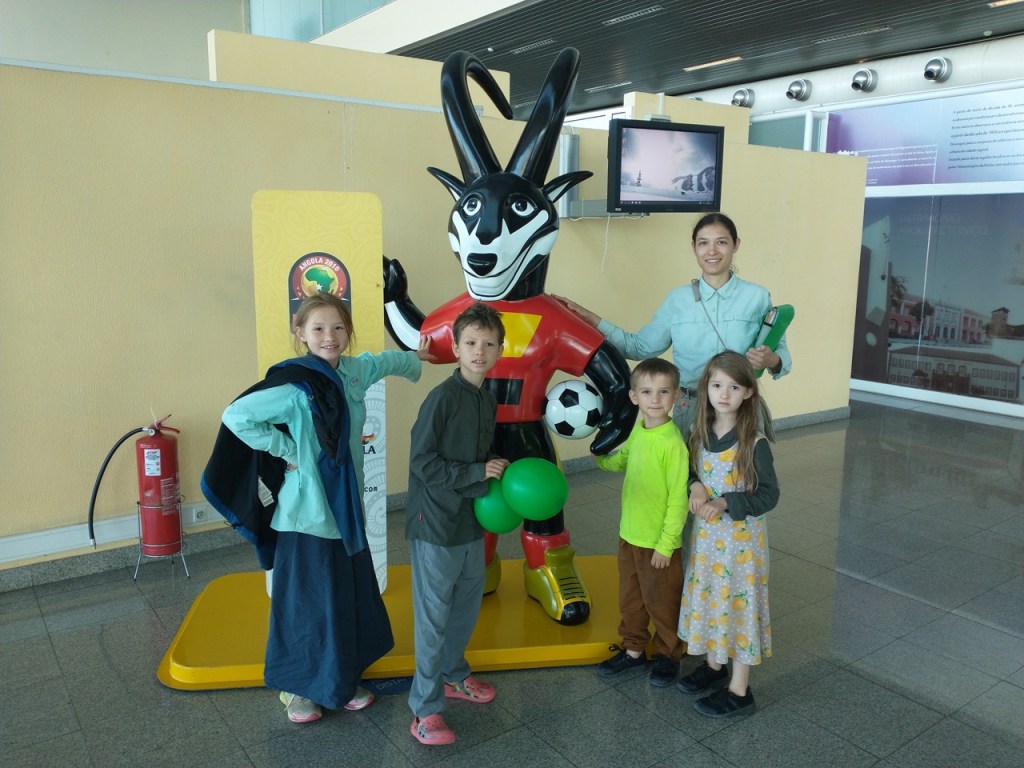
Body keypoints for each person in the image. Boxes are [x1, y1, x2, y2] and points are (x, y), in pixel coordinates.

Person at [218, 292, 430, 724]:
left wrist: (418, 360)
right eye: (318, 329)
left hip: (345, 509)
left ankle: (340, 678)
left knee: (343, 598)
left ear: (348, 331)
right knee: (306, 605)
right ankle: (298, 690)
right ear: (300, 334)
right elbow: (236, 415)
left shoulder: (354, 371)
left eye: (337, 327)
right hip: (306, 515)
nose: (329, 337)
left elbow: (388, 362)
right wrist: (285, 448)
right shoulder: (295, 388)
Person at [556, 212, 791, 429]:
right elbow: (640, 347)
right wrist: (592, 319)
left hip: (742, 409)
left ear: (735, 244)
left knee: (744, 474)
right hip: (691, 410)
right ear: (694, 247)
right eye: (703, 243)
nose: (712, 251)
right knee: (688, 474)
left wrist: (772, 360)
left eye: (721, 242)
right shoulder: (678, 300)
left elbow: (779, 353)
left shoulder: (757, 297)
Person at [406, 302, 509, 746]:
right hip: (436, 524)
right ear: (456, 346)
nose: (479, 351)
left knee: (466, 607)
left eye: (489, 344)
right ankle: (424, 710)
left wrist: (490, 469)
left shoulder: (488, 396)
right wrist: (474, 473)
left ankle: (454, 675)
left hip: (472, 520)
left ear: (501, 350)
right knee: (433, 618)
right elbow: (422, 462)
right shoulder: (441, 399)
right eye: (471, 343)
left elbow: (479, 458)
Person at [676, 351, 779, 718]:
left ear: (749, 392)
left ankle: (739, 691)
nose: (724, 393)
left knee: (736, 605)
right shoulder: (699, 431)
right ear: (706, 388)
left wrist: (723, 503)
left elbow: (769, 495)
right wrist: (696, 488)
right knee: (711, 599)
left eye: (734, 387)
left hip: (740, 548)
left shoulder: (755, 442)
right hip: (707, 545)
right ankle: (715, 666)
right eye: (717, 385)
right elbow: (692, 470)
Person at [593, 357, 689, 687]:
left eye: (664, 392)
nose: (655, 399)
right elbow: (622, 460)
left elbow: (679, 500)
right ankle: (634, 650)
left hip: (657, 544)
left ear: (675, 397)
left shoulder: (673, 444)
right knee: (630, 599)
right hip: (629, 535)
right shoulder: (639, 431)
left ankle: (669, 653)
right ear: (634, 397)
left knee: (662, 602)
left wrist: (666, 544)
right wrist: (601, 458)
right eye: (647, 392)